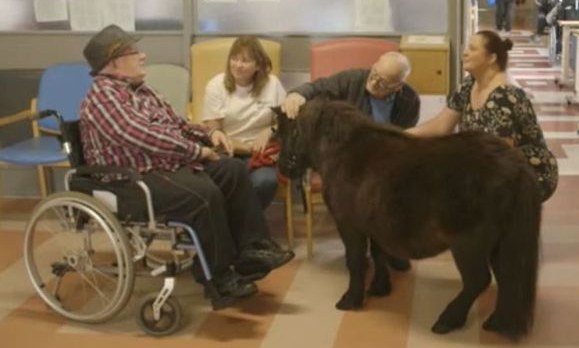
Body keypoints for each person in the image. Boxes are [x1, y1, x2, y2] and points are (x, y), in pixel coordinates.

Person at [79, 25, 294, 302]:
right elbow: (140, 135)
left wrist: (210, 133)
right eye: (134, 52)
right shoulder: (103, 97)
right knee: (204, 195)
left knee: (232, 170)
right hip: (129, 180)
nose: (143, 56)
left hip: (162, 167)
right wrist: (196, 151)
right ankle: (217, 279)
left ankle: (253, 250)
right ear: (114, 63)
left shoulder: (142, 91)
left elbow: (178, 124)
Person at [281, 51, 420, 270]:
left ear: (397, 86)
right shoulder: (353, 79)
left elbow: (401, 138)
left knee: (398, 189)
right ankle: (359, 252)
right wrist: (297, 94)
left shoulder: (409, 100)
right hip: (347, 157)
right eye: (374, 73)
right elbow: (318, 87)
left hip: (384, 157)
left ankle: (392, 246)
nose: (373, 82)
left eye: (383, 81)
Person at [407, 30, 558, 202]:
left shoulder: (503, 96)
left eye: (472, 49)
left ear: (491, 58)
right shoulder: (470, 83)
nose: (465, 53)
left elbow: (501, 154)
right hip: (488, 164)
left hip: (527, 172)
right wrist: (403, 135)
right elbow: (442, 125)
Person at [201, 36, 285, 210]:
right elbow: (214, 131)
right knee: (219, 183)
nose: (238, 65)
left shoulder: (272, 84)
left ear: (258, 65)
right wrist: (248, 148)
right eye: (234, 59)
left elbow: (285, 121)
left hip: (262, 154)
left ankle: (244, 226)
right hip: (228, 151)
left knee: (266, 182)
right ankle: (242, 227)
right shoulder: (216, 85)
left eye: (245, 61)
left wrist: (270, 131)